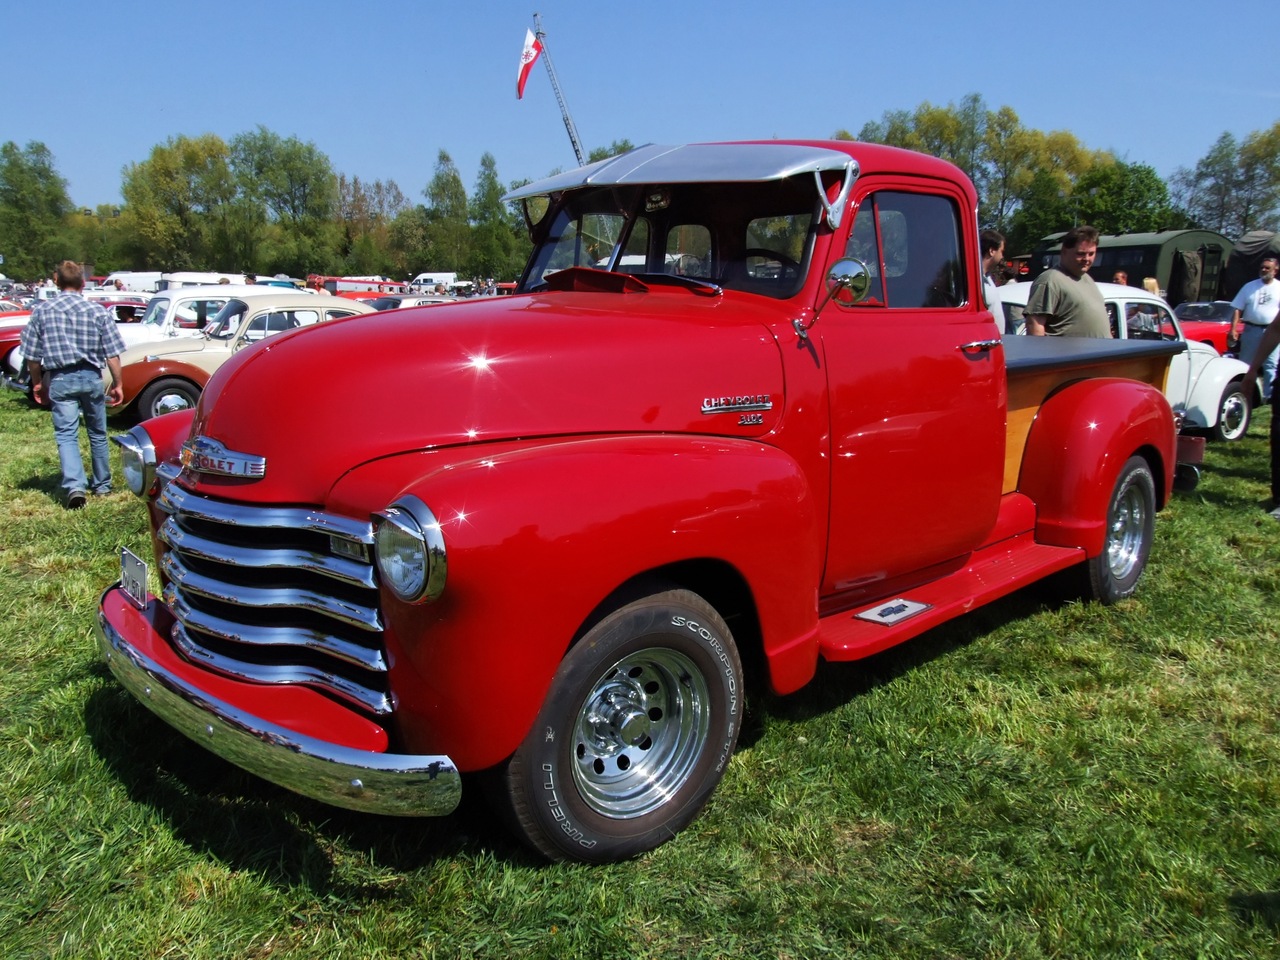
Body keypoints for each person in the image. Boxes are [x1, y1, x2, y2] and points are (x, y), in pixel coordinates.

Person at [19, 260, 125, 509]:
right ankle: (102, 484)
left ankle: (75, 486)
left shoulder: (42, 311)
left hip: (60, 378)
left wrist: (37, 383)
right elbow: (112, 354)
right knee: (97, 432)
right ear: (83, 282)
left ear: (56, 281)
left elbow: (32, 356)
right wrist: (118, 383)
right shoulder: (97, 311)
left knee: (66, 435)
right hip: (90, 376)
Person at [1024, 225, 1111, 338]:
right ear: (1064, 251)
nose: (1087, 259)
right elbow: (1034, 324)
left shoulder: (1087, 279)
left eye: (1091, 254)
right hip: (1069, 355)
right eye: (1081, 254)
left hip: (1098, 354)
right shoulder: (1050, 280)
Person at [1229, 258, 1280, 402]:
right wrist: (1233, 329)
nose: (1263, 270)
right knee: (1246, 364)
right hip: (1251, 330)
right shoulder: (1249, 287)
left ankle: (1268, 397)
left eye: (1267, 268)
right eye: (1262, 267)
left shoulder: (1279, 287)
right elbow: (1238, 308)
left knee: (1271, 365)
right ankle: (1244, 394)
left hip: (1273, 332)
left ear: (1275, 271)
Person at [980, 229, 1005, 330]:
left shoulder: (988, 278)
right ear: (991, 251)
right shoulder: (975, 282)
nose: (1002, 256)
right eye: (1001, 251)